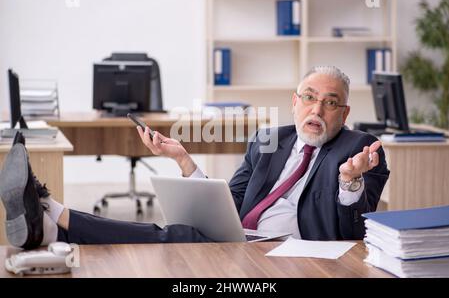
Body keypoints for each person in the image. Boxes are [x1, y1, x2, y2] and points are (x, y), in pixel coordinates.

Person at [0, 66, 389, 249]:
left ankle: (52, 215)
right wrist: (185, 161)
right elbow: (231, 206)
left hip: (291, 252)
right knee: (176, 235)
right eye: (309, 97)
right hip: (245, 238)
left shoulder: (360, 151)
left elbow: (354, 234)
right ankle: (51, 222)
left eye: (330, 102)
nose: (317, 110)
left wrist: (348, 182)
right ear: (294, 102)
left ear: (344, 113)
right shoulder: (268, 139)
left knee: (177, 236)